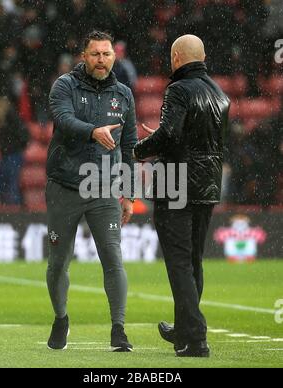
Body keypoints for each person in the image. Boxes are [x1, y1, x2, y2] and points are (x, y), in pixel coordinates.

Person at [134, 35, 230, 357]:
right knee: (192, 262)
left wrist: (140, 149)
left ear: (176, 57)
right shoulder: (219, 94)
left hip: (177, 184)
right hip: (207, 186)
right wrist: (162, 137)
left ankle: (194, 337)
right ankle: (184, 329)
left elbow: (172, 134)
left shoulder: (178, 90)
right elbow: (202, 139)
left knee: (178, 263)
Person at [46, 31, 137, 352]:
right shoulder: (64, 86)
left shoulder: (124, 94)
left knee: (113, 258)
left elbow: (129, 147)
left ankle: (119, 330)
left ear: (115, 57)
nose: (101, 60)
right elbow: (64, 119)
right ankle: (61, 318)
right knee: (58, 262)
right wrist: (93, 132)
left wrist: (129, 193)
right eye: (95, 54)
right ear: (83, 56)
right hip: (64, 185)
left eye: (107, 54)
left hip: (105, 189)